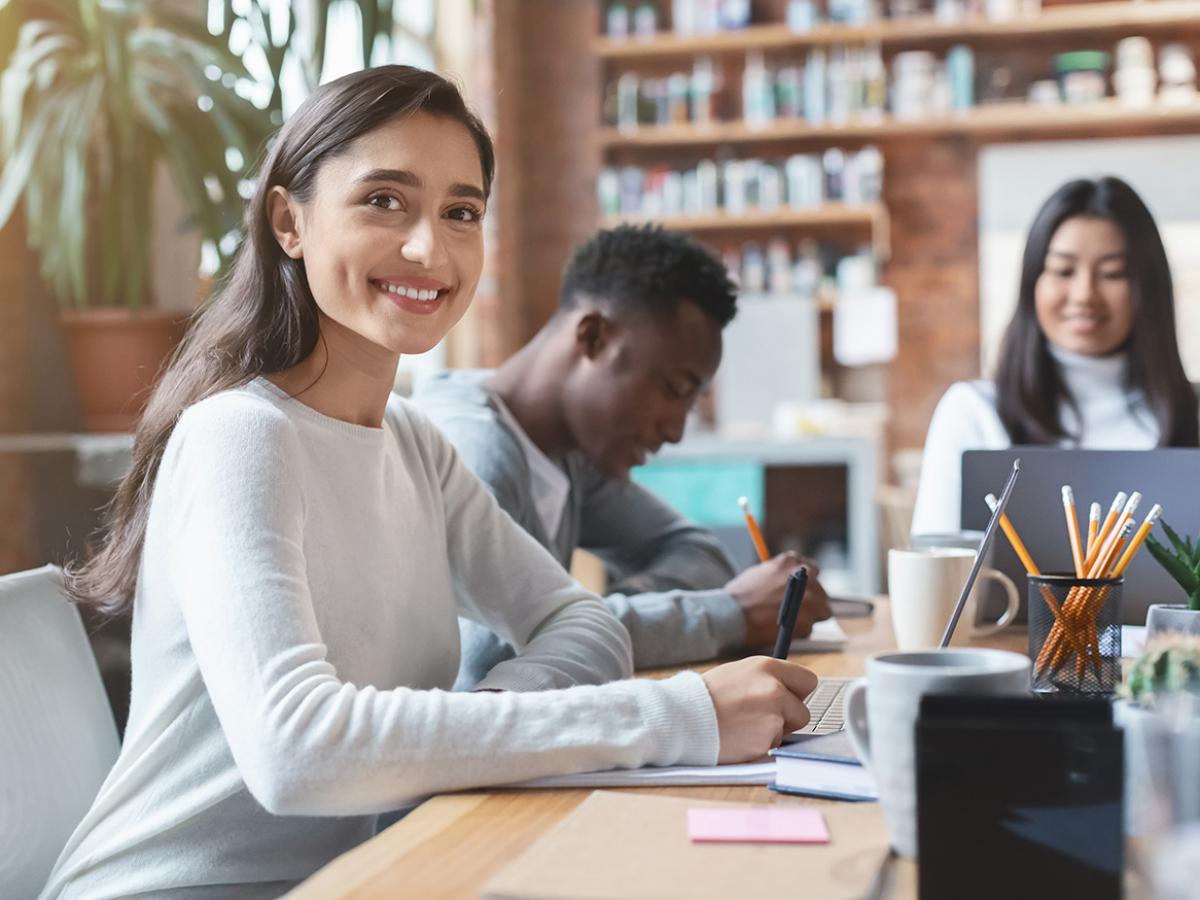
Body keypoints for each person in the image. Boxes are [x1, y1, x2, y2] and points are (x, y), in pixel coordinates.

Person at [40, 67, 818, 899]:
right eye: (384, 200)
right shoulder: (240, 435)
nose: (429, 250)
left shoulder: (412, 441)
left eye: (461, 212)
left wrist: (491, 721)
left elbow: (582, 623)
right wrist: (674, 718)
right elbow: (299, 753)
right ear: (289, 221)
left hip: (364, 876)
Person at [410, 225, 832, 686]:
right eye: (673, 390)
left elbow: (699, 553)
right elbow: (494, 666)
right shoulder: (473, 449)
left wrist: (586, 616)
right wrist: (725, 614)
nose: (674, 430)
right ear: (593, 337)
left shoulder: (567, 455)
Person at [912, 175, 1198, 536]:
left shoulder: (1192, 412)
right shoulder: (973, 412)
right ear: (1033, 281)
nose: (1084, 295)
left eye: (1113, 273)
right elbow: (933, 571)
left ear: (1148, 288)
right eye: (1063, 270)